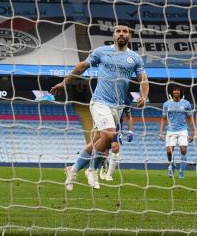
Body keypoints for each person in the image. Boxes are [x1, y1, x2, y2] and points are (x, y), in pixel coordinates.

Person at [51, 24, 148, 191]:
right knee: (110, 134)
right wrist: (64, 82)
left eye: (125, 31)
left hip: (117, 107)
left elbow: (143, 78)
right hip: (100, 102)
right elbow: (82, 66)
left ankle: (72, 170)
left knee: (97, 141)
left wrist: (144, 95)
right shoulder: (101, 51)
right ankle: (92, 170)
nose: (121, 34)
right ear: (114, 34)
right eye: (118, 31)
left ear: (129, 35)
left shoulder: (135, 58)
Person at [159, 84, 194, 179]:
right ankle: (172, 165)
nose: (176, 91)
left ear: (181, 92)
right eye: (174, 90)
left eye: (178, 90)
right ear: (172, 92)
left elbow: (190, 119)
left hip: (183, 130)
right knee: (169, 152)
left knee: (183, 150)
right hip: (170, 131)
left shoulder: (186, 104)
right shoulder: (166, 104)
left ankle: (182, 171)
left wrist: (192, 133)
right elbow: (163, 118)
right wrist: (161, 132)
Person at [99, 95, 135, 181]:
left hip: (117, 128)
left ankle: (109, 174)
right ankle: (104, 167)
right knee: (103, 151)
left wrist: (130, 131)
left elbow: (129, 117)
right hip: (105, 126)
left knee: (115, 147)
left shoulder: (126, 100)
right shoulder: (105, 95)